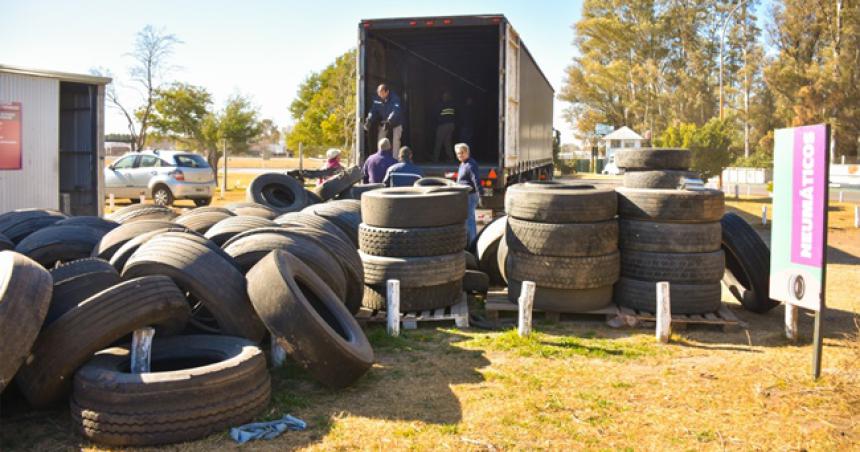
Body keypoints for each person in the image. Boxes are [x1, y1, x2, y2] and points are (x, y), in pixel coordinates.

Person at [455, 142, 483, 243]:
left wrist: (481, 196)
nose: (460, 155)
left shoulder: (470, 164)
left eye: (462, 153)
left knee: (469, 219)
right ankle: (469, 240)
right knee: (467, 218)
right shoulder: (463, 164)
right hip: (465, 196)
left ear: (467, 152)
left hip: (471, 195)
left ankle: (472, 242)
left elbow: (476, 180)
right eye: (458, 153)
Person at [364, 84, 403, 152]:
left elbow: (395, 110)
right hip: (385, 122)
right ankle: (380, 158)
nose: (380, 95)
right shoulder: (377, 99)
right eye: (379, 93)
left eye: (382, 93)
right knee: (380, 140)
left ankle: (395, 160)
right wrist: (369, 119)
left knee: (396, 141)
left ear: (387, 92)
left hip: (396, 122)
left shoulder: (395, 98)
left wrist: (389, 120)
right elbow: (373, 110)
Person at [432, 92, 456, 162]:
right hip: (451, 125)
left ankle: (435, 159)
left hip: (443, 125)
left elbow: (435, 114)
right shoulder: (452, 104)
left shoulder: (441, 104)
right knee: (447, 143)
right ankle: (451, 158)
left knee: (438, 142)